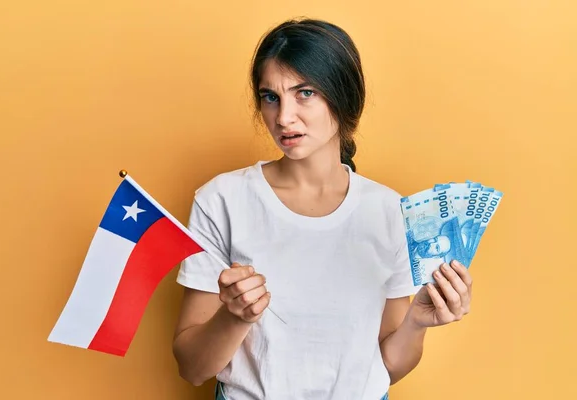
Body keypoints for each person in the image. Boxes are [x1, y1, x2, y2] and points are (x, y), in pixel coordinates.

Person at [172, 18, 473, 400]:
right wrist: (235, 316)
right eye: (270, 97)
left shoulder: (391, 213)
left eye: (305, 93)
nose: (283, 117)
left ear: (344, 96)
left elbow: (388, 367)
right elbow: (192, 368)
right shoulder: (221, 200)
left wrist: (417, 322)